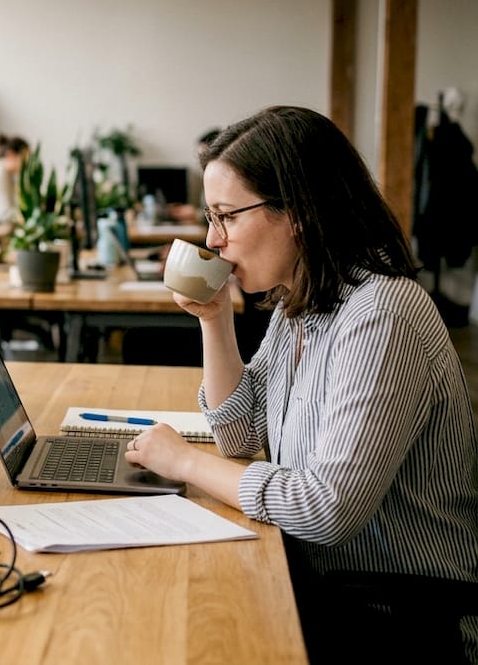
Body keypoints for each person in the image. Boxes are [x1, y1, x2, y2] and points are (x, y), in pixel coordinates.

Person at [124, 106, 477, 662]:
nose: (213, 241)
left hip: (401, 622)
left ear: (297, 212)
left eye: (226, 217)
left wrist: (184, 463)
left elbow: (326, 509)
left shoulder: (381, 316)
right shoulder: (302, 304)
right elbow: (238, 434)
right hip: (321, 586)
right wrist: (215, 320)